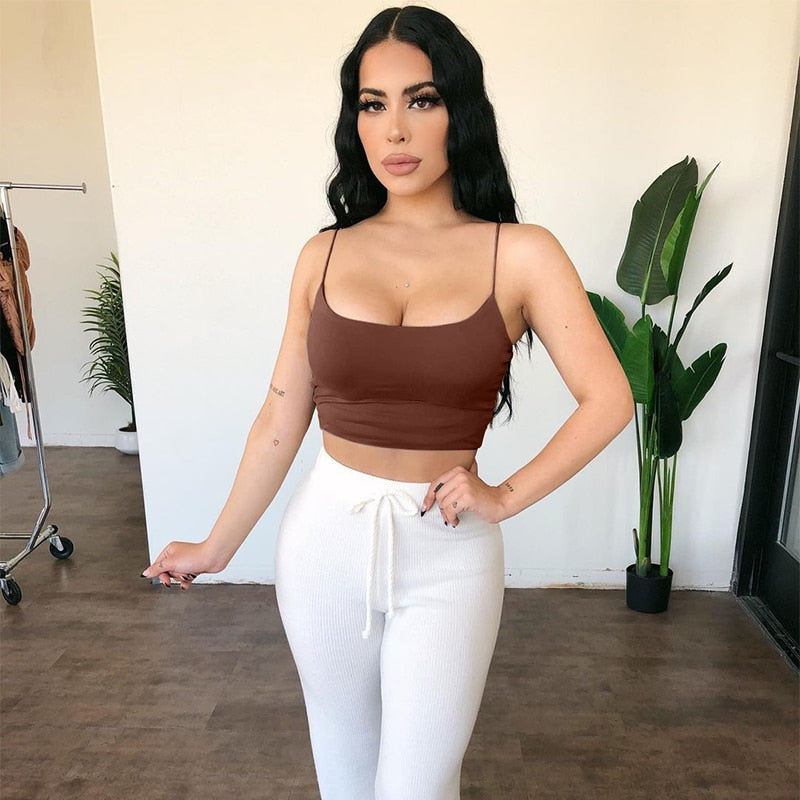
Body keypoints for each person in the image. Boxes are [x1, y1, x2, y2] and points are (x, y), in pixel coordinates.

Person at [142, 6, 633, 799]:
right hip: (324, 543)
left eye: (422, 100)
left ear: (459, 111)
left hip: (449, 549)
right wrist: (217, 546)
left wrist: (505, 495)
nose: (395, 129)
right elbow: (280, 417)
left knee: (417, 787)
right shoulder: (323, 254)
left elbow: (608, 398)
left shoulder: (522, 253)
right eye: (373, 104)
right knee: (344, 776)